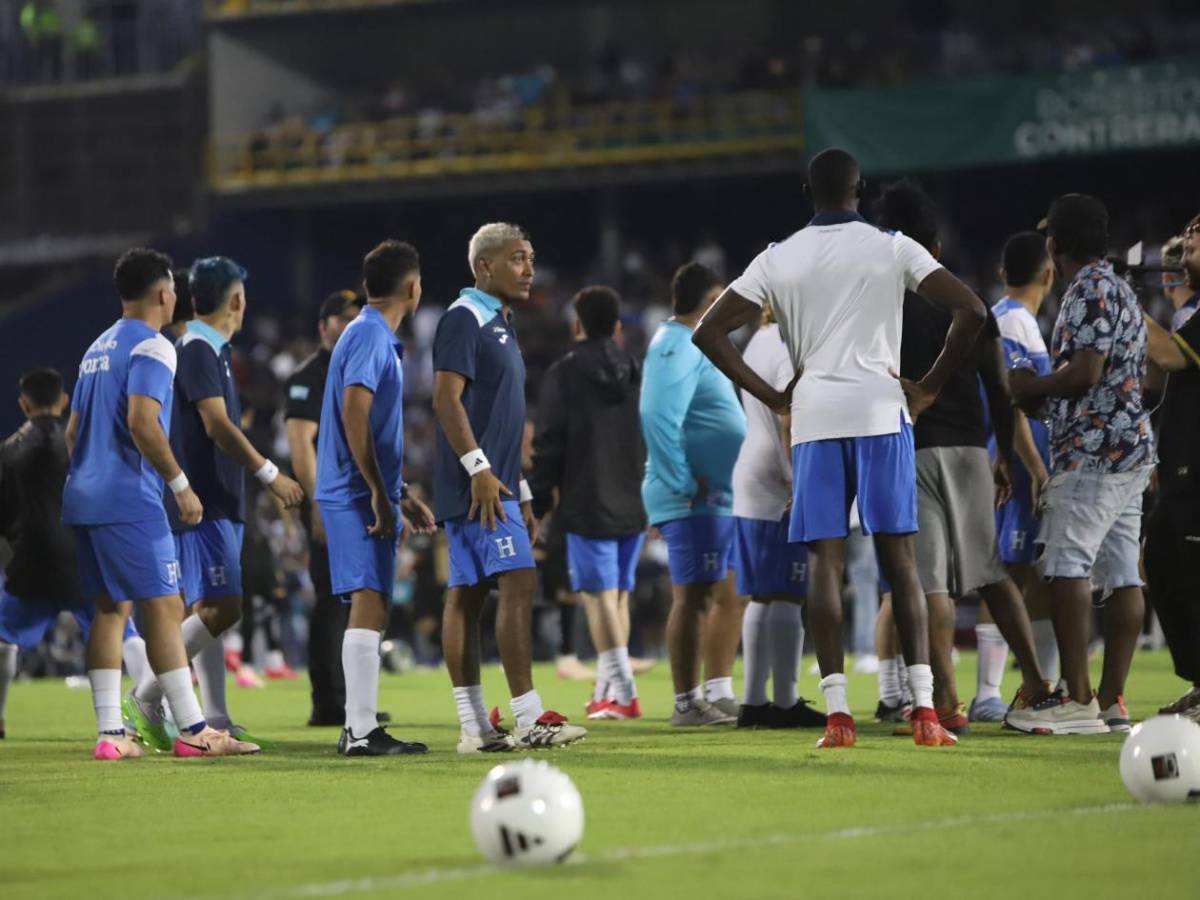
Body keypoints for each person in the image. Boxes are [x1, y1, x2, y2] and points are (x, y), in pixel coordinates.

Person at [692, 147, 986, 749]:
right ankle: (925, 712)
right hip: (882, 410)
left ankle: (837, 716)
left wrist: (775, 398)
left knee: (825, 565)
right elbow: (971, 309)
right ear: (861, 189)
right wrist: (930, 385)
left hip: (816, 418)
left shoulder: (777, 256)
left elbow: (708, 331)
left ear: (807, 192)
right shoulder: (893, 246)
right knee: (899, 562)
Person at [63, 247, 255, 758]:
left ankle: (111, 735)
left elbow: (73, 432)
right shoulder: (154, 345)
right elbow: (142, 422)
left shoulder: (96, 348)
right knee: (166, 607)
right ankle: (195, 732)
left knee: (110, 611)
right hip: (129, 496)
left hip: (82, 495)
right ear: (164, 293)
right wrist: (179, 484)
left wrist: (90, 476)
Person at [886, 182, 1047, 735]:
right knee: (992, 573)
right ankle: (1037, 685)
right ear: (934, 246)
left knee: (929, 583)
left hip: (911, 449)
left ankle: (948, 702)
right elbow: (999, 386)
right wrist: (1002, 454)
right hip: (971, 449)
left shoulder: (885, 303)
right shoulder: (967, 299)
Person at [123, 257, 303, 751]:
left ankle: (211, 715)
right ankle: (145, 697)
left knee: (208, 607)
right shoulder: (199, 348)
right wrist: (270, 473)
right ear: (237, 299)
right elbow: (217, 425)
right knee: (223, 607)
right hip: (207, 501)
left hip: (217, 498)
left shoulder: (210, 349)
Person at [433, 222, 586, 752]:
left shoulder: (500, 322)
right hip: (476, 484)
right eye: (518, 258)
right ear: (485, 265)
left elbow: (499, 419)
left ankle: (475, 727)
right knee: (518, 582)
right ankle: (528, 717)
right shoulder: (464, 317)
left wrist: (520, 491)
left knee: (468, 595)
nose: (529, 269)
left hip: (493, 482)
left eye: (531, 258)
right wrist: (478, 469)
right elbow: (445, 398)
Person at [1008, 194, 1155, 735]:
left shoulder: (1088, 288)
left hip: (1094, 453)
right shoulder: (1121, 287)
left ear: (1054, 245)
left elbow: (1087, 372)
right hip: (1130, 449)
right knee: (1122, 574)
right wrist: (1049, 399)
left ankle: (1077, 699)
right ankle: (1112, 701)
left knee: (1067, 566)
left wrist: (1031, 388)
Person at [316, 240, 434, 757]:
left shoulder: (371, 334)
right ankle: (360, 730)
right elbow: (355, 413)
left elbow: (372, 426)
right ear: (412, 288)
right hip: (353, 491)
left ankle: (360, 727)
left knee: (375, 600)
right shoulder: (368, 335)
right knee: (368, 598)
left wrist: (397, 492)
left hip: (365, 489)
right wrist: (377, 494)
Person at [0, 369, 154, 738]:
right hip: (85, 558)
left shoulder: (6, 452)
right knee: (123, 629)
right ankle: (150, 709)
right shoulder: (83, 443)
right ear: (64, 400)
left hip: (31, 562)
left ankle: (0, 718)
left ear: (24, 404)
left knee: (3, 638)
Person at [529, 285, 648, 720]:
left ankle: (625, 694)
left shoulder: (564, 373)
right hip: (633, 497)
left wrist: (539, 501)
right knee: (618, 597)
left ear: (577, 324)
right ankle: (607, 691)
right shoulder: (635, 369)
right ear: (616, 327)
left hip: (587, 499)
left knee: (598, 598)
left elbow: (548, 442)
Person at [641, 262, 747, 726]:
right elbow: (656, 415)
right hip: (691, 498)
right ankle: (687, 702)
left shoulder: (698, 344)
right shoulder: (677, 345)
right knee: (694, 596)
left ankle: (716, 692)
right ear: (710, 302)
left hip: (715, 497)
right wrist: (681, 482)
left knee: (728, 592)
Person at [731, 303, 826, 730]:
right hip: (776, 478)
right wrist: (797, 480)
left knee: (763, 594)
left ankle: (754, 702)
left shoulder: (758, 339)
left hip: (752, 469)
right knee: (789, 592)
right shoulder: (788, 346)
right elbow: (789, 417)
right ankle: (785, 703)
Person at [986, 231, 1062, 717]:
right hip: (1017, 463)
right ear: (1049, 275)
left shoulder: (1014, 319)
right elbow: (1011, 399)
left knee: (1036, 573)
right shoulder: (1013, 321)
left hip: (1018, 460)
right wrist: (1036, 468)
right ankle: (987, 692)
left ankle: (1041, 686)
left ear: (1002, 273)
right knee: (1008, 572)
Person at [284, 289, 366, 726]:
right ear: (323, 326)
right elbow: (300, 442)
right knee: (333, 598)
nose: (351, 324)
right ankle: (328, 702)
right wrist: (317, 503)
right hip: (330, 499)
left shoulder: (355, 367)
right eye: (343, 318)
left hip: (357, 496)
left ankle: (354, 699)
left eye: (356, 317)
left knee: (359, 599)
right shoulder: (310, 375)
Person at [1140, 214, 1200, 720]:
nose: (1187, 249)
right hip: (1183, 466)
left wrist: (1123, 306)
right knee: (1161, 558)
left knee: (1184, 569)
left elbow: (1169, 357)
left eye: (1196, 242)